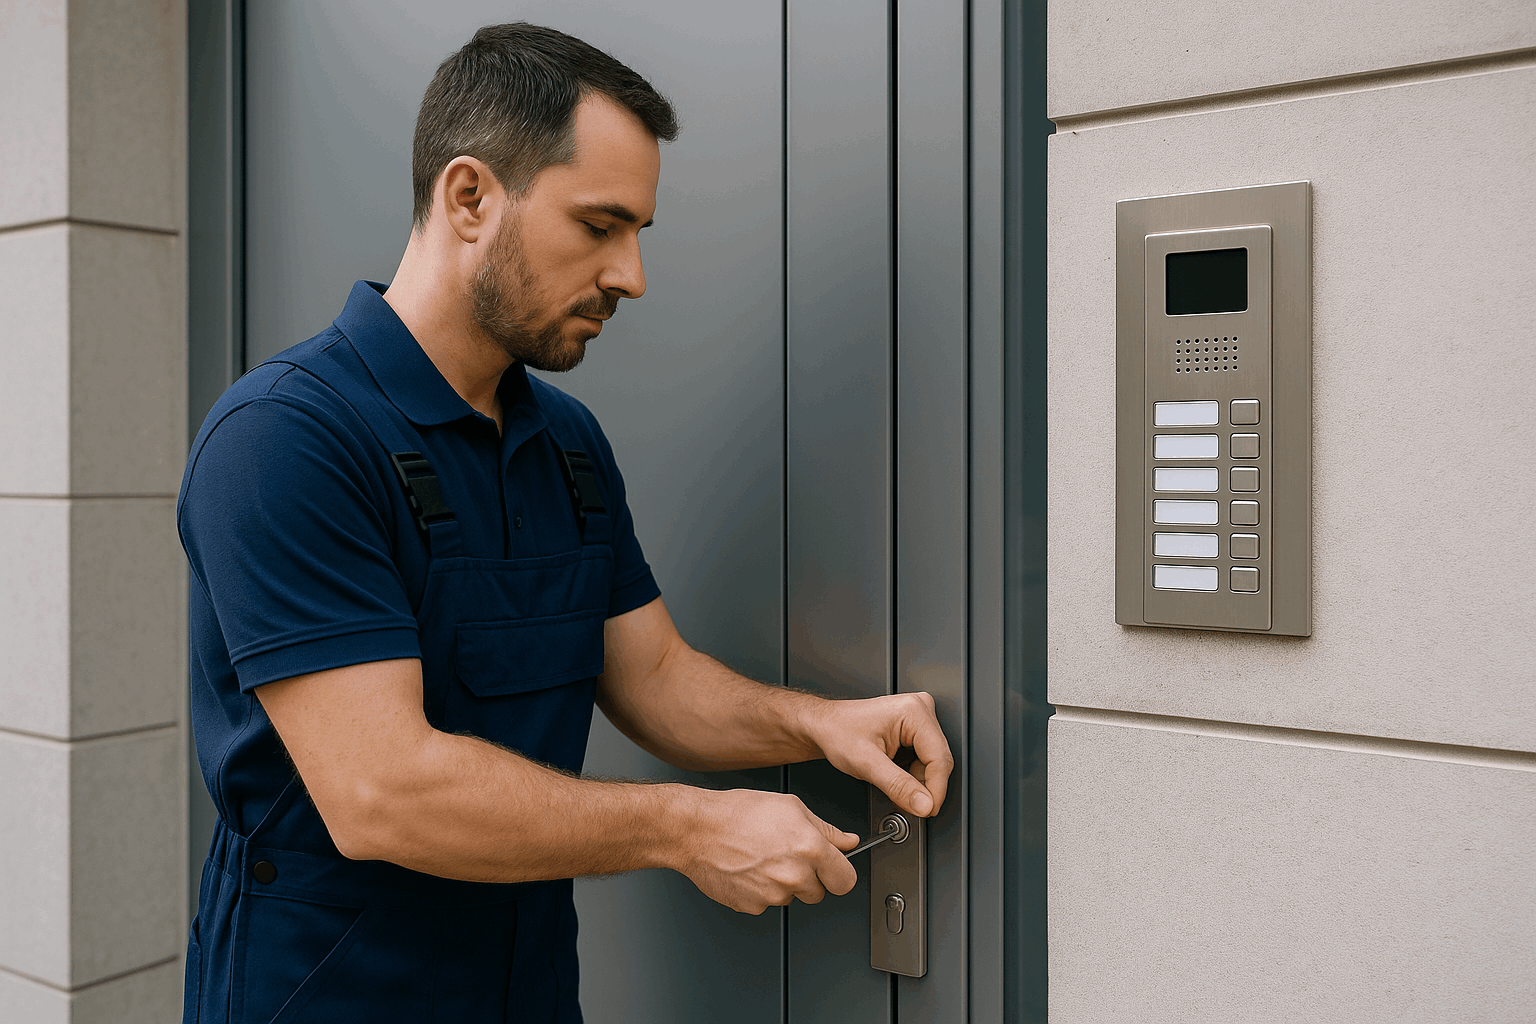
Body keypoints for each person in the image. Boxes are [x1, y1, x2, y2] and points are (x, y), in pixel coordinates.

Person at [179, 22, 952, 1024]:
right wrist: (689, 828)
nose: (630, 275)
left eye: (638, 233)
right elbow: (383, 790)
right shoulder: (286, 439)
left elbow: (655, 679)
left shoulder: (565, 444)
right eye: (599, 226)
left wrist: (821, 725)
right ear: (469, 198)